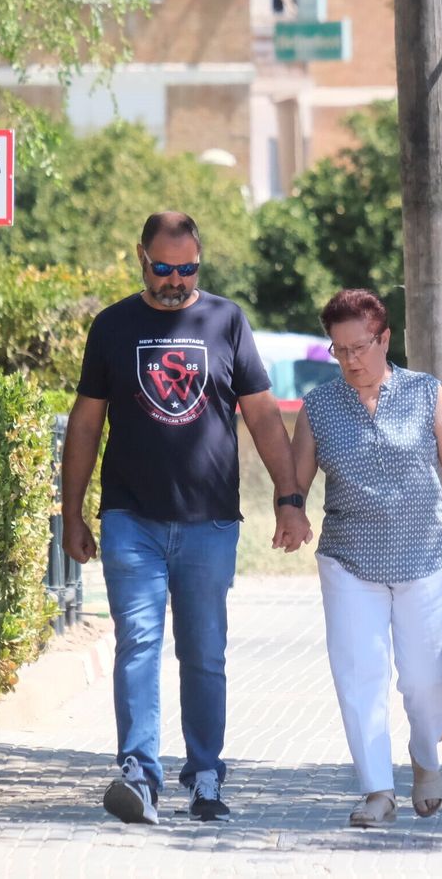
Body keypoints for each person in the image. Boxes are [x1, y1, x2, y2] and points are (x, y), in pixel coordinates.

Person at [61, 211, 312, 824]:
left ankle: (204, 776)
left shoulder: (226, 321)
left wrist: (289, 496)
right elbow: (86, 423)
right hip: (131, 520)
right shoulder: (113, 326)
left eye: (188, 268)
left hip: (209, 523)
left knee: (203, 652)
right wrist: (72, 514)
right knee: (139, 643)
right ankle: (140, 775)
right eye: (164, 268)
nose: (176, 280)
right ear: (141, 257)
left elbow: (260, 414)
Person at [287, 288, 442, 828]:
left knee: (427, 677)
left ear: (384, 339)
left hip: (425, 557)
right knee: (359, 675)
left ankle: (425, 756)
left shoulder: (426, 393)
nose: (351, 360)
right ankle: (376, 789)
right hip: (348, 560)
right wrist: (291, 512)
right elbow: (296, 481)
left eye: (360, 347)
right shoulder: (319, 407)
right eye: (339, 350)